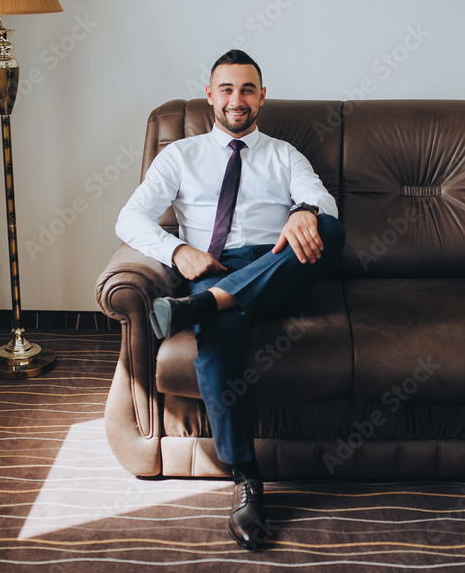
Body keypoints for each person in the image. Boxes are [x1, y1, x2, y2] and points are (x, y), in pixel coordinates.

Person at [115, 49, 345, 550]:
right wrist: (178, 250)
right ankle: (247, 480)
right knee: (217, 337)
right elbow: (129, 219)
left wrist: (304, 211)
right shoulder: (179, 155)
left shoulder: (284, 154)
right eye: (227, 89)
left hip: (277, 267)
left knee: (329, 228)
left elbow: (321, 199)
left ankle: (200, 307)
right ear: (209, 95)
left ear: (262, 96)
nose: (236, 100)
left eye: (247, 89)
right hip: (212, 269)